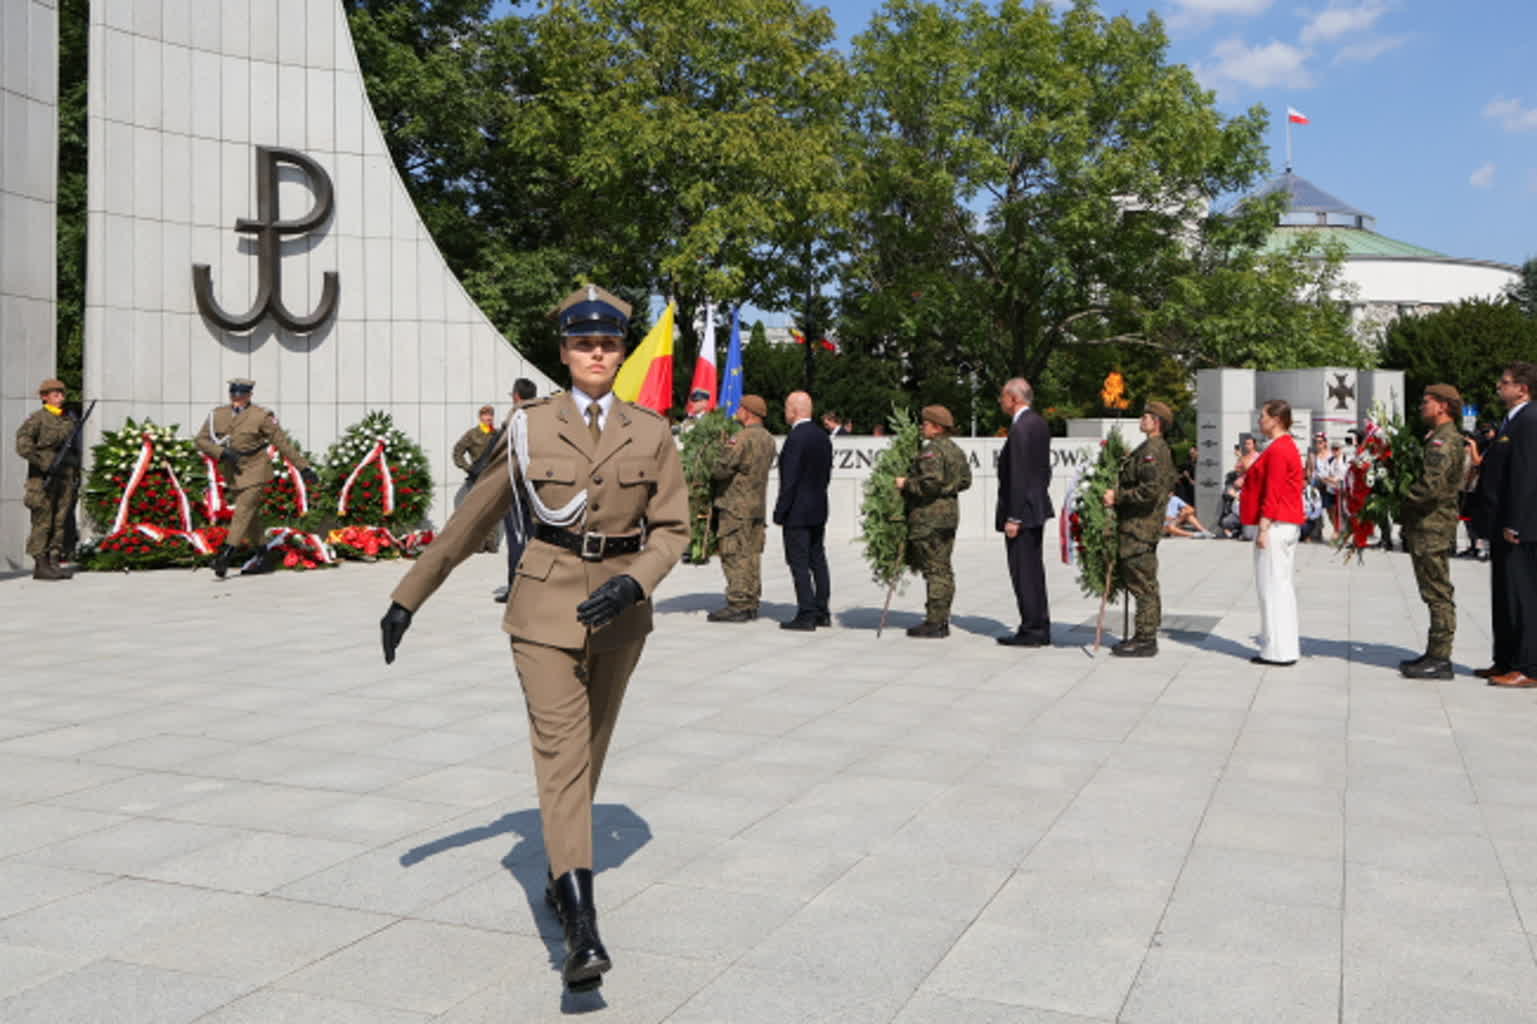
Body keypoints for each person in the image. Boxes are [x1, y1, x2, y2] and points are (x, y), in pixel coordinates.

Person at [378, 284, 687, 990]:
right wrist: (408, 597)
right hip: (542, 609)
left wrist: (636, 581)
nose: (596, 353)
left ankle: (558, 868)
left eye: (607, 342)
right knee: (560, 751)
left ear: (621, 350)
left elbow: (672, 530)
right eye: (584, 343)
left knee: (590, 749)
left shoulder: (652, 430)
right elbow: (470, 519)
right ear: (564, 351)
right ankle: (581, 926)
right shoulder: (528, 427)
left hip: (621, 615)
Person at [195, 378, 317, 578]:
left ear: (250, 395)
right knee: (250, 517)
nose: (237, 399)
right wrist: (221, 453)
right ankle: (264, 556)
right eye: (233, 395)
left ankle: (225, 556)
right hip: (232, 470)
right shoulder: (217, 414)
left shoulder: (261, 416)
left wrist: (304, 468)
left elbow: (282, 442)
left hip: (256, 469)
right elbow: (200, 440)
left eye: (241, 395)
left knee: (242, 511)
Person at [1398, 384, 1468, 680]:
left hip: (1433, 526)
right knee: (1432, 590)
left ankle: (1441, 659)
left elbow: (1431, 487)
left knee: (1437, 592)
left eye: (1426, 402)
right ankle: (1434, 652)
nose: (1421, 407)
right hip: (1428, 525)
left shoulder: (1445, 440)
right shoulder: (1438, 438)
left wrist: (1400, 496)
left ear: (1442, 406)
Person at [1103, 401, 1178, 657]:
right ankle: (1145, 634)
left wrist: (1118, 497)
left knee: (1142, 584)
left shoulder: (1153, 450)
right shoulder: (1150, 448)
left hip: (1139, 528)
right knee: (1145, 582)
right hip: (1140, 527)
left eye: (1146, 416)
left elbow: (1150, 490)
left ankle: (1145, 639)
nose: (1141, 419)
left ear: (1156, 422)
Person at [894, 404, 973, 637]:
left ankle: (935, 622)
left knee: (935, 570)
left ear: (937, 427)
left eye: (926, 423)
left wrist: (906, 484)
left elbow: (930, 484)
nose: (922, 427)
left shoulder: (932, 450)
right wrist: (949, 487)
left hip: (930, 518)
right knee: (944, 568)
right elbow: (966, 481)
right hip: (949, 516)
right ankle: (940, 618)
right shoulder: (955, 450)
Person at [1482, 363, 1537, 687]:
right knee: (1503, 596)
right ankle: (1503, 659)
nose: (1498, 387)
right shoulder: (1512, 420)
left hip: (1520, 526)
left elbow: (1527, 476)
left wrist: (1516, 522)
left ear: (1523, 388)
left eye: (1504, 383)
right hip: (1502, 522)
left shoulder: (1530, 421)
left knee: (1522, 597)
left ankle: (1527, 666)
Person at [1242, 399, 1305, 666]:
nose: (1259, 421)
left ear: (1276, 420)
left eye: (1263, 417)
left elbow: (1274, 490)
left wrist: (1264, 526)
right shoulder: (1285, 446)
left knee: (1271, 587)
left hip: (1277, 524)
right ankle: (1282, 647)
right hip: (1285, 523)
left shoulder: (1279, 449)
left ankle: (1277, 650)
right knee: (1281, 586)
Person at [706, 394, 776, 622]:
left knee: (733, 553)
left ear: (749, 412)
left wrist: (711, 458)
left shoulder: (742, 438)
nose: (737, 411)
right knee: (752, 554)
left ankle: (738, 603)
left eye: (740, 408)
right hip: (756, 506)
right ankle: (751, 600)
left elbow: (721, 469)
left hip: (736, 506)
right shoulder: (768, 439)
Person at [995, 377, 1054, 646]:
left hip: (1022, 513)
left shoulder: (1020, 428)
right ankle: (1039, 624)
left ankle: (1032, 630)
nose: (1000, 401)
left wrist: (1014, 516)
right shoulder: (1039, 423)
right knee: (1033, 569)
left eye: (1002, 397)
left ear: (1014, 398)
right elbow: (1043, 470)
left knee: (1024, 571)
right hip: (1036, 507)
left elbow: (1018, 475)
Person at [775, 391, 833, 629]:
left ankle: (806, 614)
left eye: (787, 407)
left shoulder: (796, 439)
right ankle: (822, 611)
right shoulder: (822, 436)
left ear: (793, 410)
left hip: (797, 511)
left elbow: (789, 480)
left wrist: (780, 511)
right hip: (818, 507)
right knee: (817, 559)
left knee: (798, 562)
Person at [15, 378, 82, 580]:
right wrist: (42, 462)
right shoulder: (37, 419)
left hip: (65, 477)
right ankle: (40, 563)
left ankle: (54, 560)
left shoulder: (68, 420)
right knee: (42, 520)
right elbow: (23, 446)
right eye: (55, 394)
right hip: (42, 478)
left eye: (61, 394)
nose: (60, 397)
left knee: (60, 519)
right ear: (44, 397)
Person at [491, 379, 540, 602]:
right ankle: (538, 586)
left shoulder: (515, 417)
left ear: (517, 396)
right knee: (536, 538)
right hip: (538, 488)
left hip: (516, 487)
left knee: (516, 538)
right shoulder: (543, 417)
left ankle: (516, 588)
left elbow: (503, 454)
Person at [454, 405, 501, 553]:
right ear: (480, 417)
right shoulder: (472, 434)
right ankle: (478, 543)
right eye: (485, 415)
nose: (488, 418)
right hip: (477, 477)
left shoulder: (498, 434)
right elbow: (457, 452)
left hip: (493, 476)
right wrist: (468, 468)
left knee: (492, 509)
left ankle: (491, 541)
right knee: (477, 510)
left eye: (491, 415)